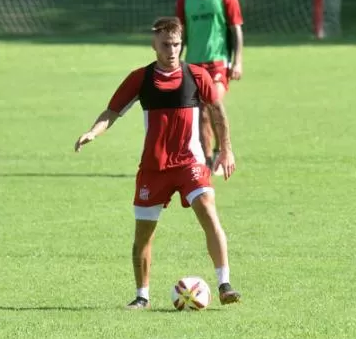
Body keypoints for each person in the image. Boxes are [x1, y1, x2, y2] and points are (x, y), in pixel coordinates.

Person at [74, 16, 242, 309]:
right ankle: (142, 297)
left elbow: (218, 113)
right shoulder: (140, 78)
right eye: (166, 44)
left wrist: (226, 150)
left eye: (176, 44)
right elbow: (112, 111)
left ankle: (225, 284)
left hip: (190, 163)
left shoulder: (197, 75)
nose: (172, 50)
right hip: (154, 168)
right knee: (143, 234)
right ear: (154, 44)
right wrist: (93, 132)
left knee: (208, 212)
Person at [175, 0, 244, 168]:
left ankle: (220, 150)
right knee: (201, 113)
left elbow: (236, 30)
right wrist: (175, 62)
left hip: (217, 63)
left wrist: (238, 61)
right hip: (193, 63)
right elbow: (180, 34)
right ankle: (206, 161)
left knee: (212, 104)